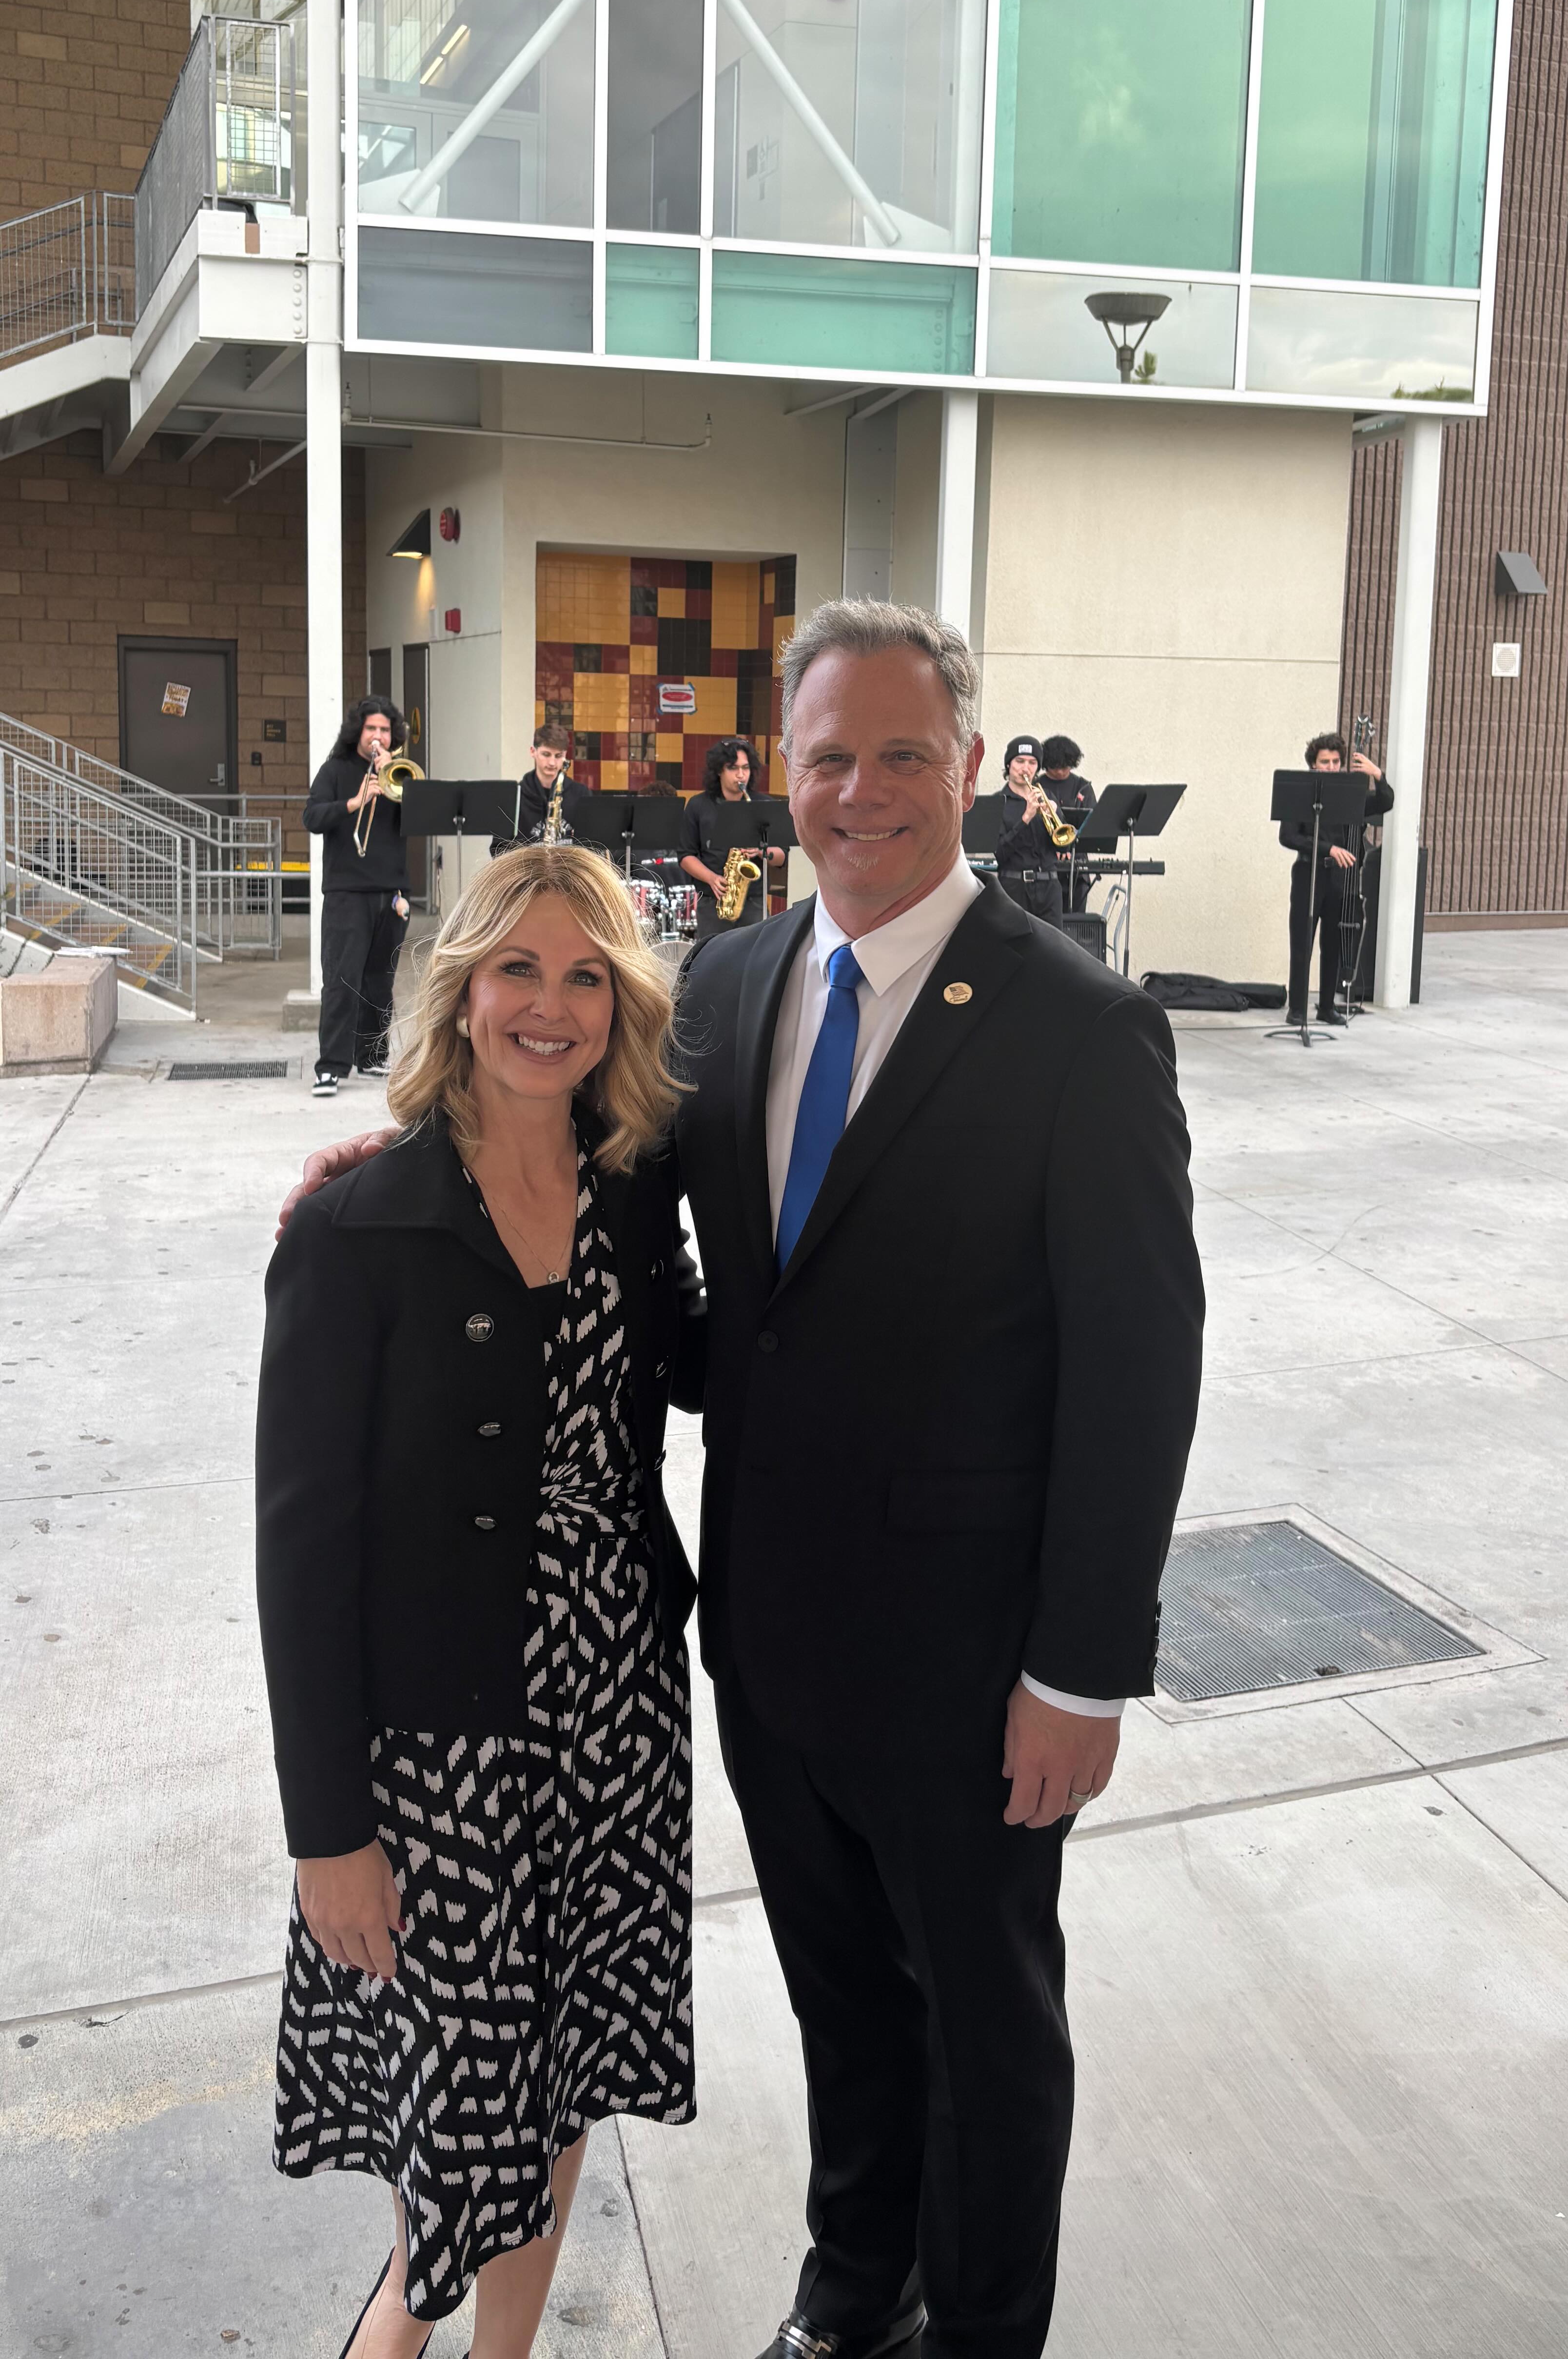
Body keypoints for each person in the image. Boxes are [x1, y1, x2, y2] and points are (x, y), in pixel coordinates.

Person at [285, 601, 1205, 2359]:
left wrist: (1080, 1668)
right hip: (769, 1650)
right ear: (781, 779)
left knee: (985, 2035)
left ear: (967, 771)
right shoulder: (728, 982)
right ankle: (853, 2292)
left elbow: (1136, 1367)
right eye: (828, 758)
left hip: (971, 1671)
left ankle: (981, 2328)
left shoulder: (1079, 1029)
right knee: (846, 2013)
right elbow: (685, 1289)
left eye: (903, 755)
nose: (863, 792)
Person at [256, 844, 704, 2359]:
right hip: (438, 1756)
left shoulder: (637, 1193)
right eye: (519, 966)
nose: (551, 1005)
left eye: (587, 974)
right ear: (461, 987)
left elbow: (713, 1358)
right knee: (454, 2138)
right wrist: (328, 1829)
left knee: (561, 2078)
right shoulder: (354, 1229)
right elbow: (298, 1553)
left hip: (615, 1717)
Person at [304, 695, 413, 1098]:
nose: (379, 737)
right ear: (358, 732)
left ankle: (371, 1056)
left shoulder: (402, 775)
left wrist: (395, 782)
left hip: (392, 890)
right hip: (347, 891)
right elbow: (312, 817)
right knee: (341, 979)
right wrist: (355, 802)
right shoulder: (335, 770)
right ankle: (331, 1066)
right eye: (372, 729)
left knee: (380, 980)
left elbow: (421, 820)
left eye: (385, 730)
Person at [1280, 730, 1393, 1027]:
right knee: (1302, 941)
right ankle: (1298, 1009)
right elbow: (1289, 837)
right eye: (1324, 762)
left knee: (1333, 941)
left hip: (1341, 879)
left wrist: (1377, 775)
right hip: (1309, 873)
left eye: (1335, 762)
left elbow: (1385, 803)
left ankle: (1327, 1006)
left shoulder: (1351, 795)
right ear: (1313, 765)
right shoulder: (1300, 793)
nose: (1330, 768)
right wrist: (1329, 848)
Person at [679, 737, 784, 945]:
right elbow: (685, 856)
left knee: (756, 961)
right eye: (733, 768)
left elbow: (782, 858)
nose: (741, 774)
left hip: (755, 901)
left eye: (746, 768)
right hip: (713, 901)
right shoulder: (699, 805)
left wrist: (762, 851)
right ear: (719, 770)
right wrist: (711, 878)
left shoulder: (763, 805)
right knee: (712, 962)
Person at [991, 733, 1064, 929]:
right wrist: (1026, 818)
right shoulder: (998, 803)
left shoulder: (1047, 797)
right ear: (1009, 765)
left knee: (1054, 952)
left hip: (1050, 887)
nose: (1026, 768)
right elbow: (999, 854)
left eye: (1032, 763)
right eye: (1020, 761)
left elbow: (1067, 845)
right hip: (1014, 888)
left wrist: (1056, 817)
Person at [489, 723, 593, 855]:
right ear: (533, 752)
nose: (552, 763)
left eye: (558, 756)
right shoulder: (514, 797)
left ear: (565, 755)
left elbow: (591, 847)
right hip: (527, 874)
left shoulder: (581, 794)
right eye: (546, 754)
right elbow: (498, 850)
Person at [1037, 736, 1097, 912]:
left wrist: (1070, 848)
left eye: (1067, 766)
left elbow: (1091, 825)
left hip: (1076, 871)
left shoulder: (1083, 787)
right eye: (1058, 767)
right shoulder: (1037, 786)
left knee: (1075, 926)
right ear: (1048, 764)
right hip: (1044, 867)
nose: (1063, 771)